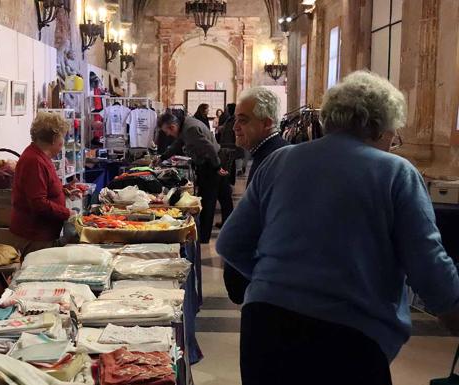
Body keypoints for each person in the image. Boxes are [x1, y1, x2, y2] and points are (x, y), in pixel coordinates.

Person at [217, 71, 459, 385]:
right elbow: (428, 268)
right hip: (349, 335)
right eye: (393, 132)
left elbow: (230, 243)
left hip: (264, 325)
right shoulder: (395, 172)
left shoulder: (280, 161)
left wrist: (279, 279)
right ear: (380, 125)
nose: (392, 140)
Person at [222, 88, 289, 304]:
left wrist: (256, 275)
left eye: (243, 120)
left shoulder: (277, 158)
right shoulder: (267, 153)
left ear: (266, 123)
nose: (235, 127)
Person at [156, 110, 226, 243]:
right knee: (222, 196)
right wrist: (163, 157)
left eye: (167, 132)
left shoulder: (190, 128)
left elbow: (209, 148)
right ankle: (217, 230)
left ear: (172, 126)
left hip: (210, 164)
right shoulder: (185, 126)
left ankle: (203, 237)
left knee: (208, 200)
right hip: (210, 162)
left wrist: (217, 167)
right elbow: (178, 144)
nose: (168, 135)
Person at [10, 111, 72, 256]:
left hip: (43, 234)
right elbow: (38, 203)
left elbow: (43, 187)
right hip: (35, 236)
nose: (62, 143)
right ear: (54, 139)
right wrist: (68, 213)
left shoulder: (41, 156)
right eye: (61, 137)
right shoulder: (34, 161)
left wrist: (63, 190)